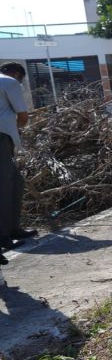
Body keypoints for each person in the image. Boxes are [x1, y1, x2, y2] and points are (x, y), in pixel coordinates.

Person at [0, 62, 37, 252]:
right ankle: (3, 236)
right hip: (1, 138)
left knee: (16, 182)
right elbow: (23, 117)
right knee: (4, 187)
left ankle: (13, 229)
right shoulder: (9, 82)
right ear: (16, 74)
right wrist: (16, 129)